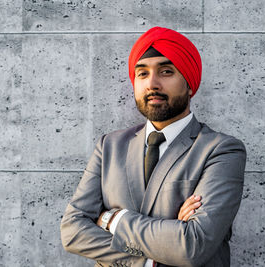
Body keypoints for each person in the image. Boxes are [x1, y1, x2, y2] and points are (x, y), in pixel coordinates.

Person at [60, 26, 246, 267]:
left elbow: (192, 245)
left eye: (166, 71)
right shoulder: (109, 147)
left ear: (190, 83)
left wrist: (113, 219)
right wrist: (156, 253)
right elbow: (73, 231)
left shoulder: (221, 150)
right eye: (142, 74)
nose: (152, 84)